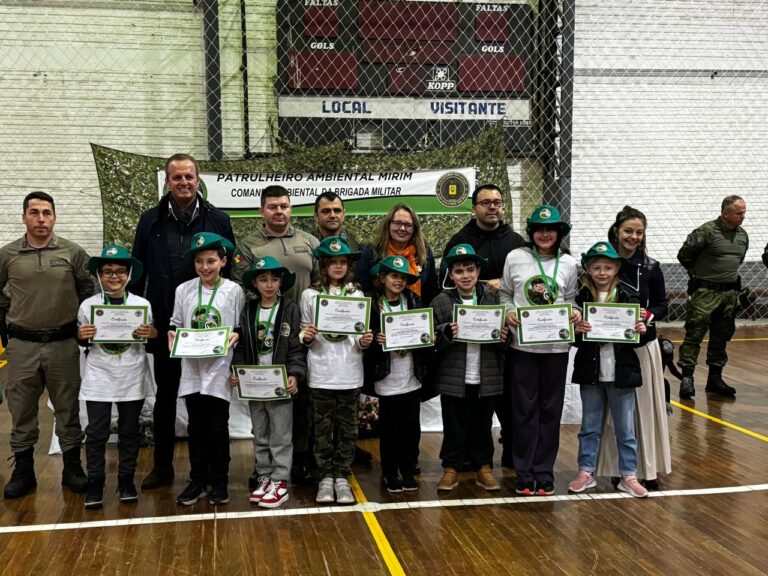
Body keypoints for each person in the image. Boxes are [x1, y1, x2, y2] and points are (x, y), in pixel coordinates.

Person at [131, 153, 235, 490]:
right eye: (177, 177)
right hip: (167, 327)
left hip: (211, 330)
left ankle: (208, 474)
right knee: (166, 398)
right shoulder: (150, 221)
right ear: (167, 181)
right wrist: (137, 317)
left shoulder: (217, 219)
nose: (184, 183)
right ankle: (162, 467)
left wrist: (229, 330)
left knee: (208, 404)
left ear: (198, 178)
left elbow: (229, 275)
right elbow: (138, 273)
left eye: (189, 176)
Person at [0, 191, 93, 499]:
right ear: (24, 216)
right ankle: (23, 471)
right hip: (22, 345)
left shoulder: (73, 252)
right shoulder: (8, 254)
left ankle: (72, 469)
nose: (41, 218)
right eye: (35, 212)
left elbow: (88, 291)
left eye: (47, 213)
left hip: (63, 343)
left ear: (55, 217)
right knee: (21, 409)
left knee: (68, 408)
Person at [233, 185, 319, 483]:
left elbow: (320, 282)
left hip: (305, 331)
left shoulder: (309, 241)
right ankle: (265, 467)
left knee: (301, 398)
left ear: (291, 208)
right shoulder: (248, 245)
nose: (279, 211)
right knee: (266, 404)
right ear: (262, 210)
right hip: (265, 333)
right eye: (272, 206)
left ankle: (299, 461)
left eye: (284, 205)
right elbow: (240, 286)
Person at [499, 204, 581, 496]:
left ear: (559, 233)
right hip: (522, 347)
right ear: (531, 232)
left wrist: (574, 313)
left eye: (551, 229)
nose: (545, 234)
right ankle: (524, 472)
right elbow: (505, 293)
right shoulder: (515, 257)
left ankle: (544, 472)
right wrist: (508, 312)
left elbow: (570, 299)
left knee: (550, 411)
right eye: (539, 229)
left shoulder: (569, 263)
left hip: (556, 349)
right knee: (523, 411)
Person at [442, 183, 524, 467]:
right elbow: (444, 285)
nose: (492, 207)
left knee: (506, 399)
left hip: (508, 334)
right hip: (469, 342)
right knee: (467, 404)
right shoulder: (459, 240)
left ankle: (511, 454)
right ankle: (462, 461)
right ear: (473, 207)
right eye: (485, 202)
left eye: (497, 202)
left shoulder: (515, 242)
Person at [77, 244, 157, 508]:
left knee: (129, 432)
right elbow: (82, 341)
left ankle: (126, 481)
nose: (114, 277)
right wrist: (82, 336)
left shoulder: (140, 304)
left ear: (129, 274)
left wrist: (152, 334)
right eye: (108, 272)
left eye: (120, 271)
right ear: (99, 275)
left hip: (131, 376)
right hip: (99, 376)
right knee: (96, 433)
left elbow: (152, 338)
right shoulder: (88, 305)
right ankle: (95, 484)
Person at [597, 206, 671, 489]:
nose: (634, 237)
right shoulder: (602, 263)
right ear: (616, 231)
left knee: (645, 409)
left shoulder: (651, 267)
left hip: (642, 347)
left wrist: (647, 315)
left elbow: (662, 304)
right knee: (617, 413)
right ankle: (619, 468)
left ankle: (647, 469)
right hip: (609, 349)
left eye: (639, 232)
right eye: (629, 231)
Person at [567, 241, 649, 499]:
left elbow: (644, 336)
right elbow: (573, 339)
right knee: (589, 426)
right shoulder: (580, 299)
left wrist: (641, 331)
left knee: (625, 429)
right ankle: (586, 471)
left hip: (621, 373)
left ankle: (629, 475)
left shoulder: (628, 297)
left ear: (616, 269)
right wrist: (576, 331)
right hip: (591, 373)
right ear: (588, 270)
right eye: (596, 267)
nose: (602, 272)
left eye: (607, 267)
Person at [169, 233, 245, 506]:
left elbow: (238, 327)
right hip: (192, 368)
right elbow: (176, 324)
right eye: (199, 261)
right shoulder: (184, 290)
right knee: (196, 425)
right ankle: (198, 480)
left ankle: (220, 481)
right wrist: (172, 336)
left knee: (218, 425)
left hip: (219, 367)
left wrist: (236, 336)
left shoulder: (233, 291)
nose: (205, 267)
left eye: (211, 261)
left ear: (223, 261)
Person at [300, 236, 374, 505]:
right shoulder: (310, 295)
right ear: (324, 265)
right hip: (321, 372)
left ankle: (342, 476)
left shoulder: (357, 294)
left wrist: (364, 341)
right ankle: (324, 478)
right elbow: (305, 331)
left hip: (350, 372)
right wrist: (307, 336)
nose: (339, 267)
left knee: (347, 430)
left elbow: (359, 335)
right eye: (333, 262)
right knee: (321, 429)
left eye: (343, 262)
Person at [231, 256, 307, 509]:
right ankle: (264, 475)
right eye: (263, 279)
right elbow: (241, 347)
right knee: (260, 431)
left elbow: (296, 348)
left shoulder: (290, 309)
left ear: (281, 282)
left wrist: (294, 374)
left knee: (281, 434)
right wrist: (236, 371)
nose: (269, 284)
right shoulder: (249, 310)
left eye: (274, 279)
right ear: (255, 283)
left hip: (280, 382)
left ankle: (281, 480)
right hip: (254, 382)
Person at [432, 244, 509, 492]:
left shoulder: (493, 299)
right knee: (453, 423)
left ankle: (483, 467)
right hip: (454, 376)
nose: (465, 275)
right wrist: (445, 332)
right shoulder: (442, 301)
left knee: (482, 423)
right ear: (451, 275)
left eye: (469, 270)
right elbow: (430, 338)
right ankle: (451, 468)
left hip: (486, 375)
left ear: (478, 271)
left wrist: (503, 337)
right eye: (458, 271)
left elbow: (506, 342)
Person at [363, 256, 431, 492]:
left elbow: (424, 332)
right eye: (394, 276)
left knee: (411, 427)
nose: (399, 281)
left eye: (403, 277)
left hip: (412, 374)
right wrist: (374, 340)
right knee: (389, 428)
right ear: (382, 278)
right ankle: (390, 471)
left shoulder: (414, 300)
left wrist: (427, 336)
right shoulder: (371, 304)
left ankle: (408, 468)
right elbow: (364, 339)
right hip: (386, 376)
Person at [677, 196, 748, 398]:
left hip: (729, 294)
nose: (743, 216)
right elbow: (684, 256)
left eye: (744, 212)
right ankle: (687, 378)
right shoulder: (706, 232)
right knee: (694, 334)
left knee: (721, 336)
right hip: (705, 292)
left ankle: (715, 379)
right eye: (739, 213)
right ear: (725, 213)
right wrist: (701, 274)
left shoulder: (743, 236)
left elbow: (738, 260)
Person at [355, 203, 439, 306]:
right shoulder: (371, 251)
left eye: (408, 225)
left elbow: (431, 290)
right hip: (379, 313)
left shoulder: (424, 252)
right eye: (397, 223)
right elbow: (363, 287)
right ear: (388, 224)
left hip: (415, 315)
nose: (403, 228)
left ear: (415, 229)